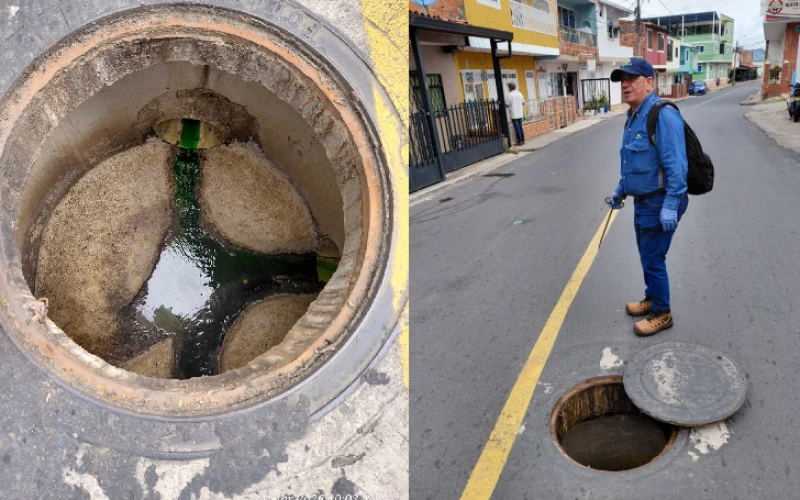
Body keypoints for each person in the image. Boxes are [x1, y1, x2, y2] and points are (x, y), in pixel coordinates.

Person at [607, 57, 689, 336]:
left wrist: (671, 204)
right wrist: (621, 188)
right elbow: (632, 160)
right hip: (643, 202)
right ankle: (652, 298)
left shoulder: (661, 113)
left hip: (660, 201)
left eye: (632, 78)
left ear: (649, 83)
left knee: (653, 259)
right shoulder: (633, 116)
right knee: (646, 256)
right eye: (622, 80)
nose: (625, 85)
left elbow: (677, 166)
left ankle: (662, 313)